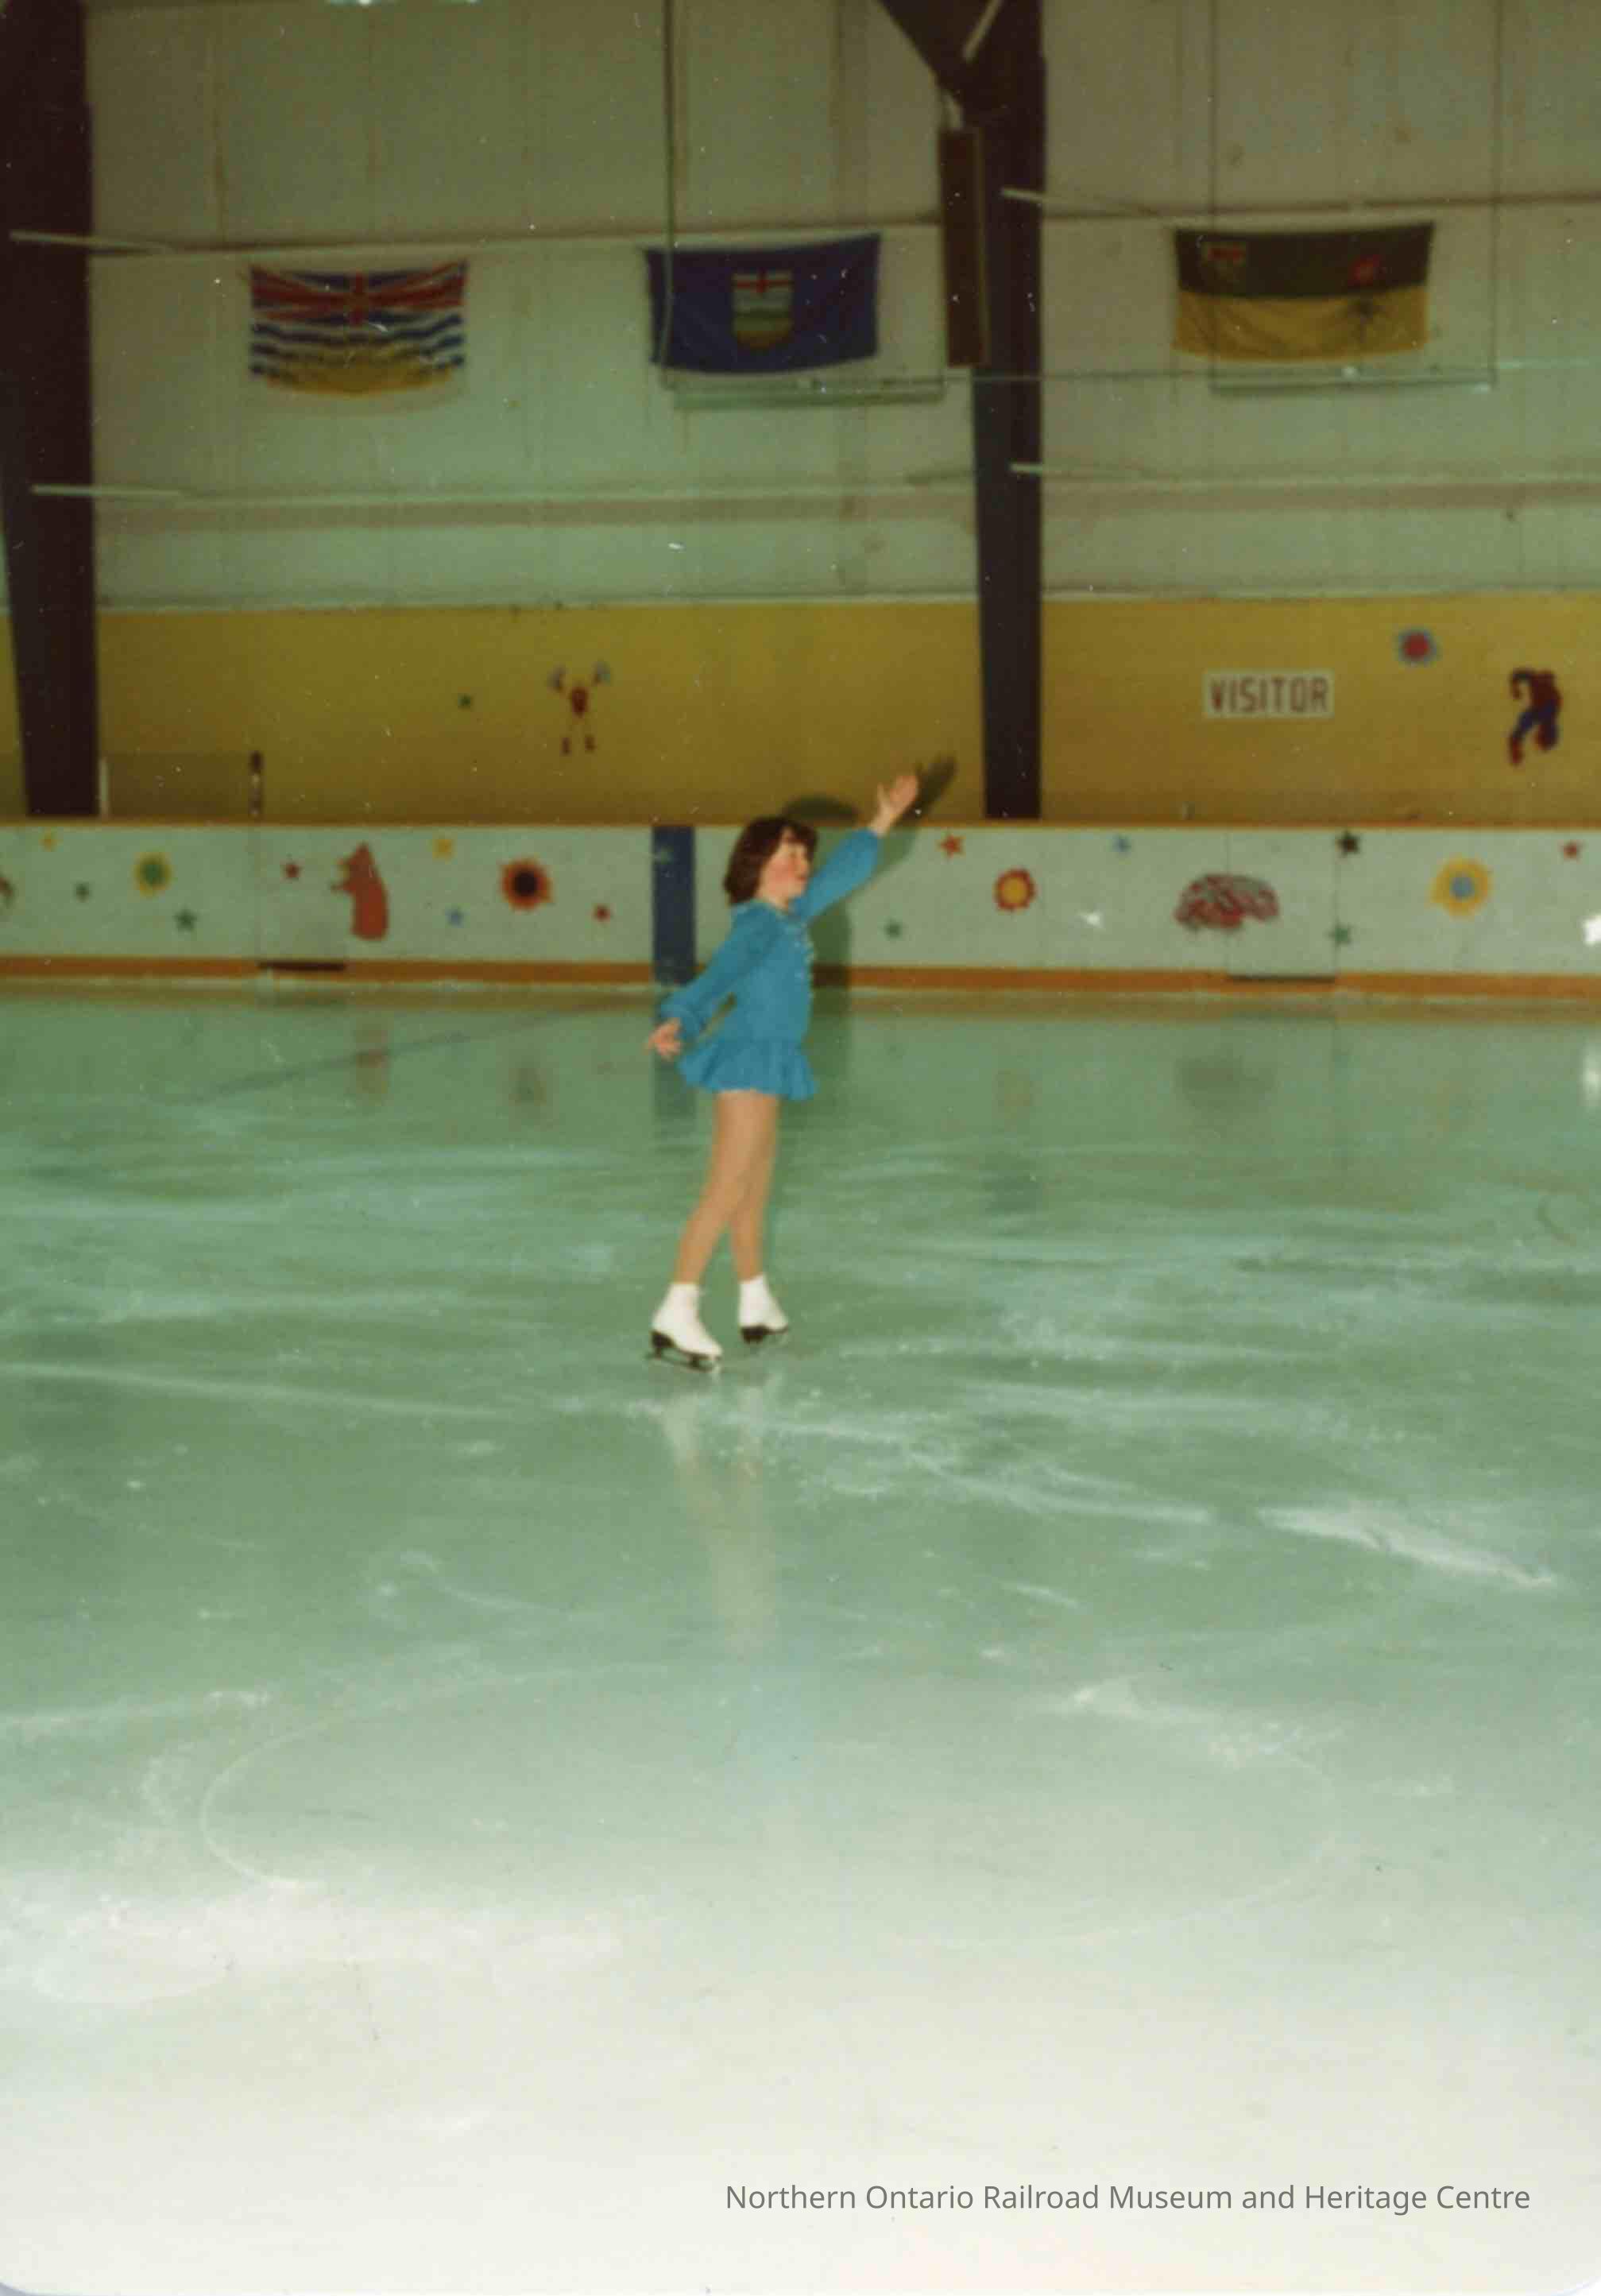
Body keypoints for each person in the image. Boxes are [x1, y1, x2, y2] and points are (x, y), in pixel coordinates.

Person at [646, 772, 920, 1368]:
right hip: (747, 1061)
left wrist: (882, 821)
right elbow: (717, 978)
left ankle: (755, 1300)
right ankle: (677, 1308)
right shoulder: (757, 925)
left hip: (769, 1061)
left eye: (803, 854)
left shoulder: (790, 915)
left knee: (753, 1189)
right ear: (757, 865)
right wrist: (681, 1018)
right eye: (788, 855)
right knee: (727, 1188)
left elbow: (841, 875)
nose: (802, 864)